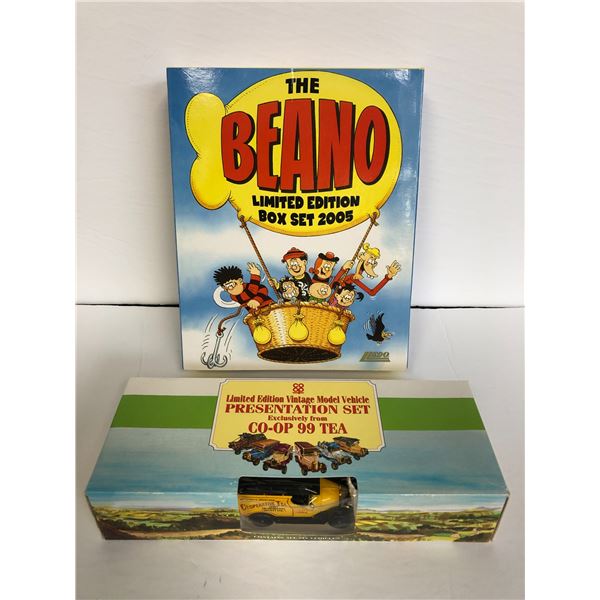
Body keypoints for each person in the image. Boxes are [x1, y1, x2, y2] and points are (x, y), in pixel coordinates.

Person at [331, 243, 401, 297]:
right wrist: (343, 269)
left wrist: (388, 277)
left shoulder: (354, 278)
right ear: (362, 256)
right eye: (372, 257)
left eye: (374, 259)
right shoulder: (351, 277)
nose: (372, 262)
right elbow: (331, 286)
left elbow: (372, 292)